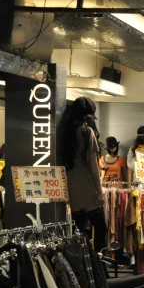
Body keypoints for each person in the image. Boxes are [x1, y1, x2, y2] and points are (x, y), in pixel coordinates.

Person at [62, 97, 107, 252]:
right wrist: (99, 192)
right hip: (88, 189)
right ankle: (100, 265)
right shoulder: (87, 132)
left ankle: (83, 266)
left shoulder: (63, 132)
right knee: (101, 229)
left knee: (79, 234)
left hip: (71, 189)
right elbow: (94, 165)